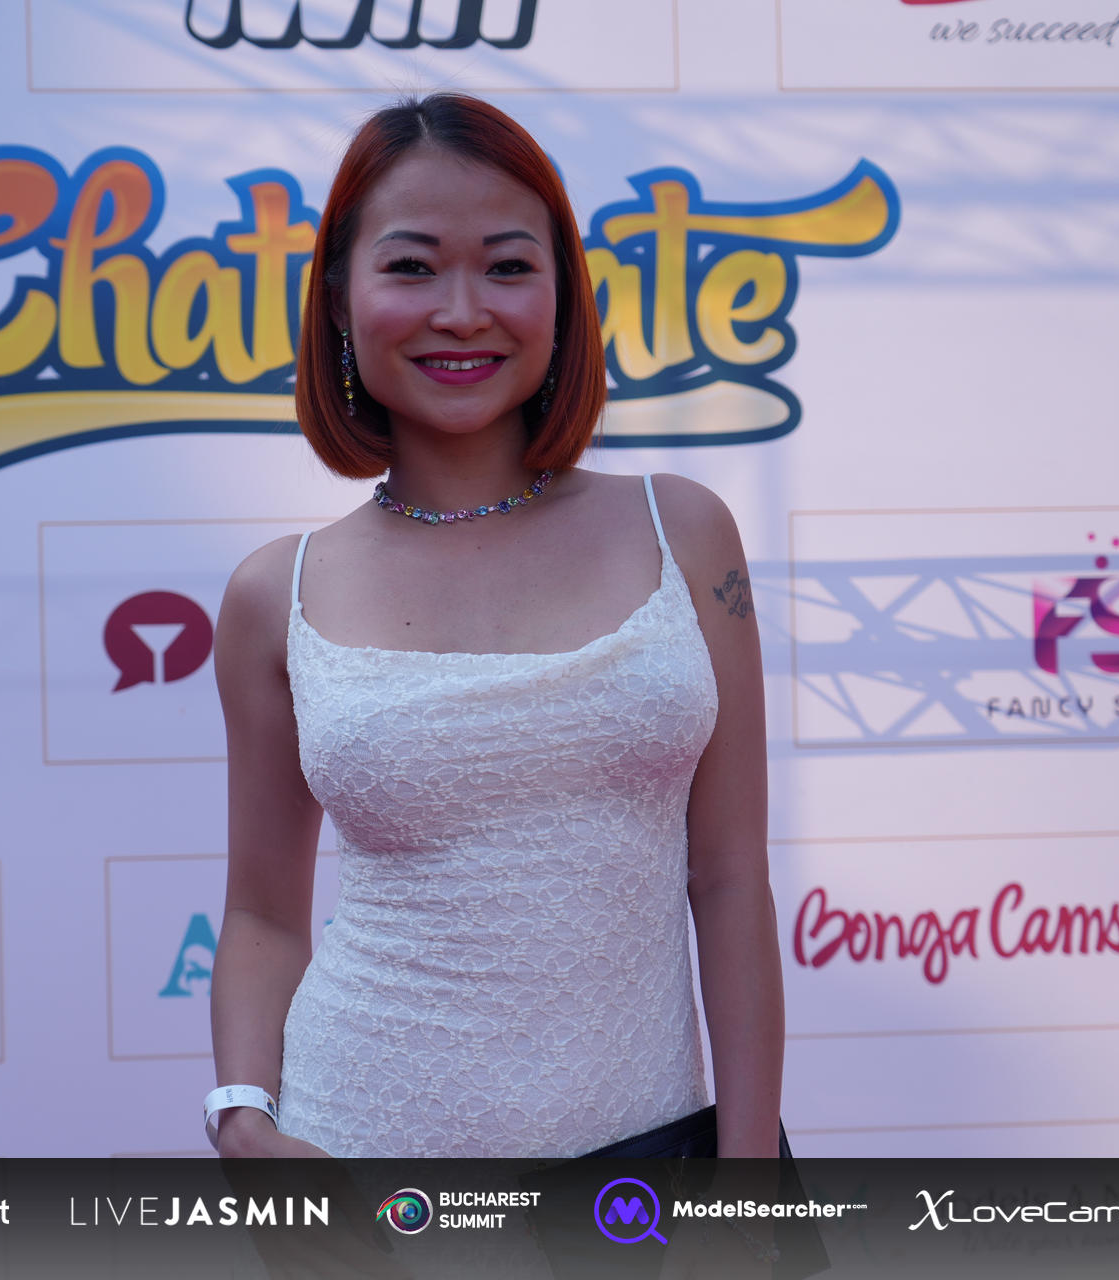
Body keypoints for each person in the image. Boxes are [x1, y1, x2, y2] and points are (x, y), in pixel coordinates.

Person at [206, 93, 785, 1160]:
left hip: (642, 1182)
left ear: (563, 293)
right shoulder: (274, 593)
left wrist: (746, 1183)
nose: (463, 311)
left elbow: (731, 878)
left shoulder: (685, 533)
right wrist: (243, 1118)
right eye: (413, 267)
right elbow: (262, 915)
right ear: (339, 298)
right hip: (363, 1177)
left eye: (509, 266)